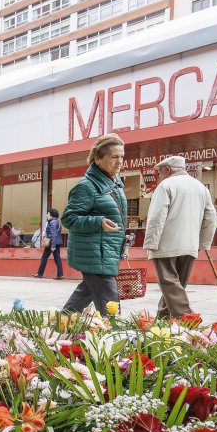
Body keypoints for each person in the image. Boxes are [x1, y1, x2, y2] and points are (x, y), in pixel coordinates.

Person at [144, 156, 217, 319]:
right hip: (189, 245)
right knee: (175, 286)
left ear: (168, 170)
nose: (159, 175)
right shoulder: (200, 187)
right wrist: (203, 243)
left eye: (160, 171)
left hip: (166, 244)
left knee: (170, 284)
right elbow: (211, 217)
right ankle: (163, 320)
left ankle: (188, 319)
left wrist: (151, 241)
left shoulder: (166, 185)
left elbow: (157, 216)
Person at [62, 133, 128, 315]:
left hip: (105, 250)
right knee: (110, 301)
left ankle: (61, 325)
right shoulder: (86, 186)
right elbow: (69, 219)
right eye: (114, 157)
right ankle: (116, 338)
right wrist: (99, 222)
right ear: (97, 159)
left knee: (87, 292)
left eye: (122, 156)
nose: (119, 161)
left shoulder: (114, 183)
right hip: (94, 252)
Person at [34, 208, 65, 279]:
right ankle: (60, 275)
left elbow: (53, 234)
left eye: (48, 214)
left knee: (44, 258)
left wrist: (53, 246)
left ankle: (40, 273)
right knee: (57, 258)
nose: (46, 215)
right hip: (57, 242)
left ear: (51, 215)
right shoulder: (57, 221)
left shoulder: (52, 222)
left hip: (51, 243)